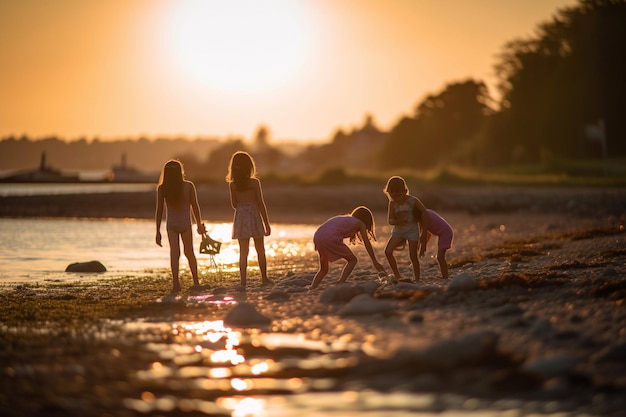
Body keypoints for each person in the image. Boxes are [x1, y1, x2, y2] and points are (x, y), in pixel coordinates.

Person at [155, 159, 206, 293]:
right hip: (185, 224)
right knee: (189, 253)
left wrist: (157, 231)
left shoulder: (163, 188)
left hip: (171, 225)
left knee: (174, 253)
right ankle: (196, 281)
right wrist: (199, 224)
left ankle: (176, 283)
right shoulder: (188, 186)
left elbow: (159, 210)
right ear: (180, 172)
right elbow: (195, 206)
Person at [310, 206, 386, 289]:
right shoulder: (360, 224)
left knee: (324, 269)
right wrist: (374, 261)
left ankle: (312, 287)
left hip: (318, 236)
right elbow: (367, 243)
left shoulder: (347, 219)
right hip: (330, 237)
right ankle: (342, 281)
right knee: (353, 260)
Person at [226, 151, 272, 288]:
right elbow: (260, 203)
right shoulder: (254, 183)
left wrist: (242, 206)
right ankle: (264, 278)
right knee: (260, 249)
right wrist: (266, 223)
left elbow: (234, 205)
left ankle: (243, 282)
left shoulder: (233, 185)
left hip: (240, 217)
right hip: (254, 215)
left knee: (243, 251)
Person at [383, 176, 430, 282]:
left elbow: (425, 212)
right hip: (398, 232)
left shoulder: (413, 201)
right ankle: (397, 275)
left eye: (398, 195)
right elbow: (390, 221)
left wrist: (424, 231)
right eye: (392, 196)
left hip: (412, 231)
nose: (396, 198)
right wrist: (398, 221)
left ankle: (417, 278)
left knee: (413, 256)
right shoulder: (392, 203)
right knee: (388, 251)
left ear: (405, 191)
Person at [424, 208, 453, 279]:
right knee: (440, 257)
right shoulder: (426, 212)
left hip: (445, 233)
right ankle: (444, 275)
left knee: (440, 257)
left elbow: (424, 234)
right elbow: (428, 234)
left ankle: (445, 276)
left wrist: (422, 246)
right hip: (445, 232)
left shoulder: (424, 216)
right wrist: (424, 245)